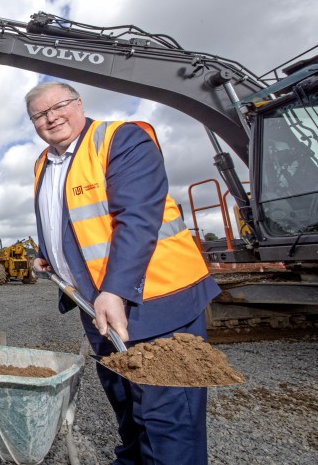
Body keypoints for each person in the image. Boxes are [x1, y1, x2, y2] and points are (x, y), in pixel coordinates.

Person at [28, 81, 220, 464]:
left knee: (168, 418)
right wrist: (48, 255)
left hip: (156, 302)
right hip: (98, 307)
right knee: (127, 405)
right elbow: (72, 223)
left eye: (59, 106)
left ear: (79, 104)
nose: (51, 117)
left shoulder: (120, 139)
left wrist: (115, 290)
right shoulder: (44, 163)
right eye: (39, 115)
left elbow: (137, 219)